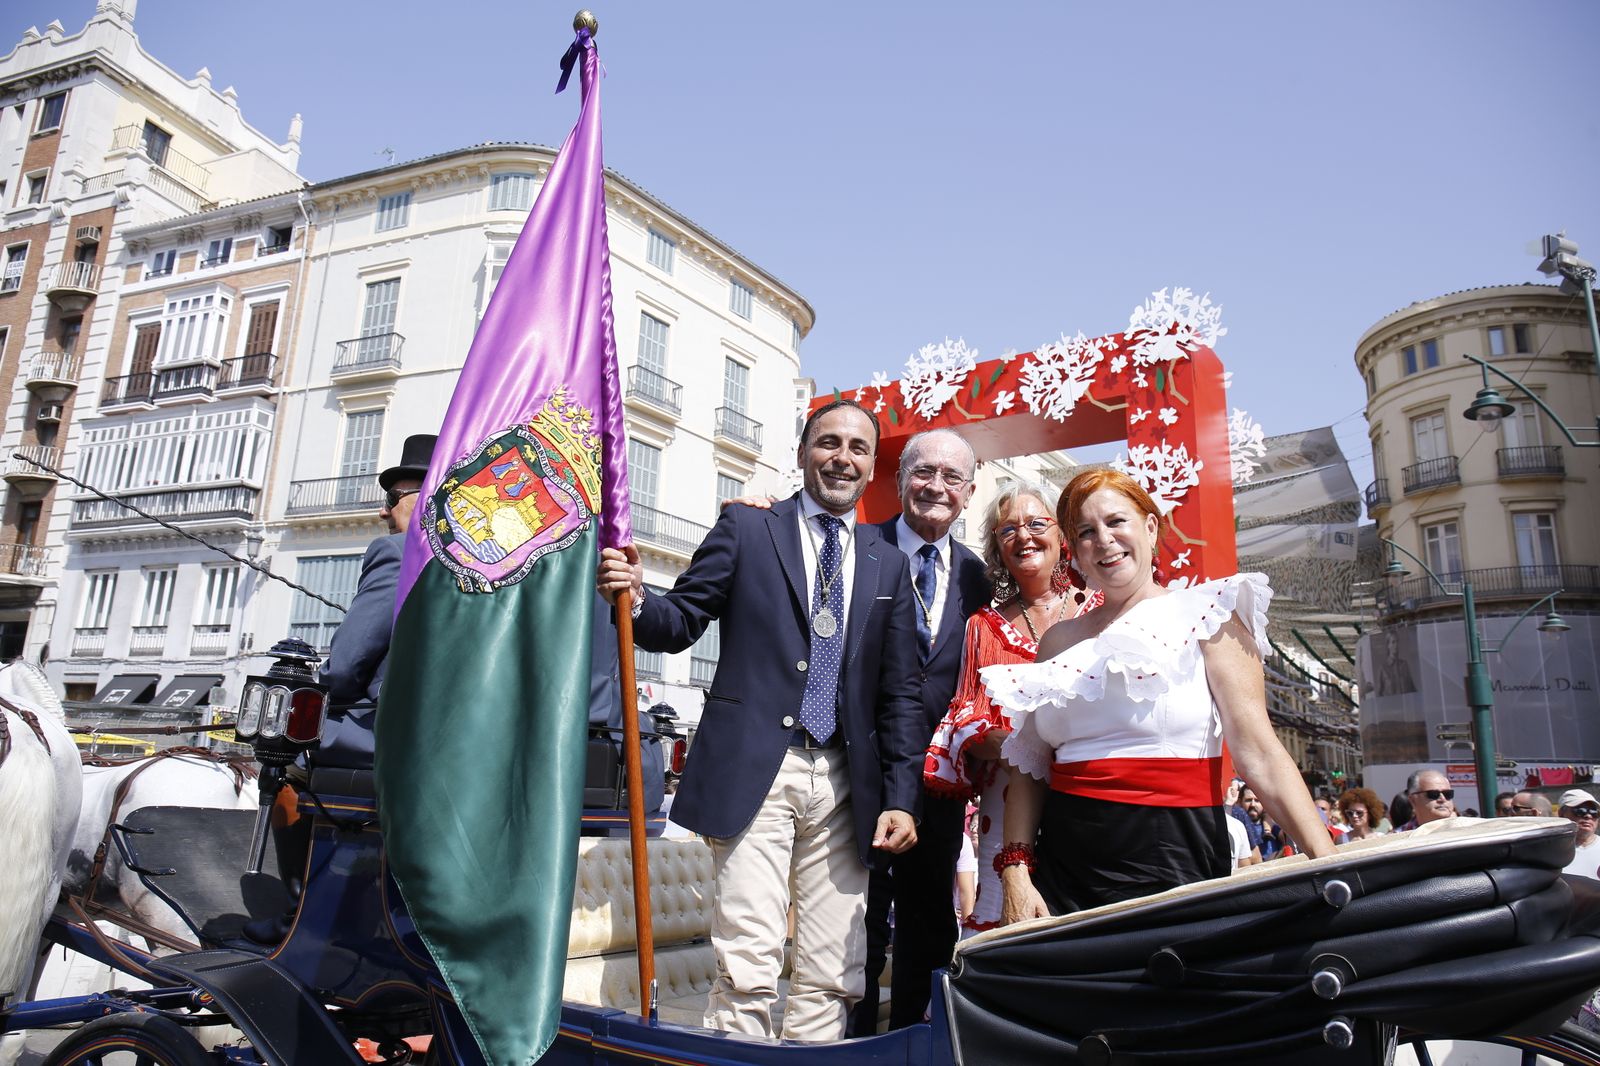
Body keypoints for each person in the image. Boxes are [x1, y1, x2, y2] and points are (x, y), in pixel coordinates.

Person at [596, 398, 922, 1042]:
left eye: (858, 448)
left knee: (836, 968)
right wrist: (635, 594)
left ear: (871, 465)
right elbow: (679, 622)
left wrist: (903, 798)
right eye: (829, 443)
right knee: (747, 960)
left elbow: (901, 696)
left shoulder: (889, 561)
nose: (842, 458)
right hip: (756, 771)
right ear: (802, 453)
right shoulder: (747, 530)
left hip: (845, 783)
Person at [982, 469, 1332, 921]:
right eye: (1086, 532)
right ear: (1076, 553)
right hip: (1062, 878)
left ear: (1150, 527)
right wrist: (1015, 872)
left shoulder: (1211, 617)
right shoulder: (1057, 643)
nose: (1104, 540)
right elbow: (1029, 769)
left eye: (1116, 522)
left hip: (1174, 865)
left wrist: (1328, 863)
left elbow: (1261, 755)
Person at [853, 429, 990, 1033]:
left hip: (937, 780)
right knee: (854, 917)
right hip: (853, 766)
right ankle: (848, 1038)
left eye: (952, 477)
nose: (936, 486)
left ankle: (912, 1038)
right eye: (923, 472)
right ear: (901, 478)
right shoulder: (855, 546)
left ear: (969, 491)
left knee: (929, 921)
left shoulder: (977, 578)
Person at [924, 483, 1077, 933]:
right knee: (1007, 919)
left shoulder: (1102, 609)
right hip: (1004, 798)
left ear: (1063, 535)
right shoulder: (982, 627)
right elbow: (966, 717)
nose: (1023, 536)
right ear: (996, 548)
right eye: (1007, 530)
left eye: (1035, 523)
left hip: (1087, 795)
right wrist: (1019, 741)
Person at [317, 433, 435, 768]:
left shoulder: (399, 552)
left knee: (285, 754)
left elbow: (344, 665)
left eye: (392, 497)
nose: (383, 511)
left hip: (395, 735)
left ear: (427, 497)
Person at [1559, 789, 1600, 878]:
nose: (1588, 816)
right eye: (1580, 810)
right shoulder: (1550, 850)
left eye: (1594, 812)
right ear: (1561, 814)